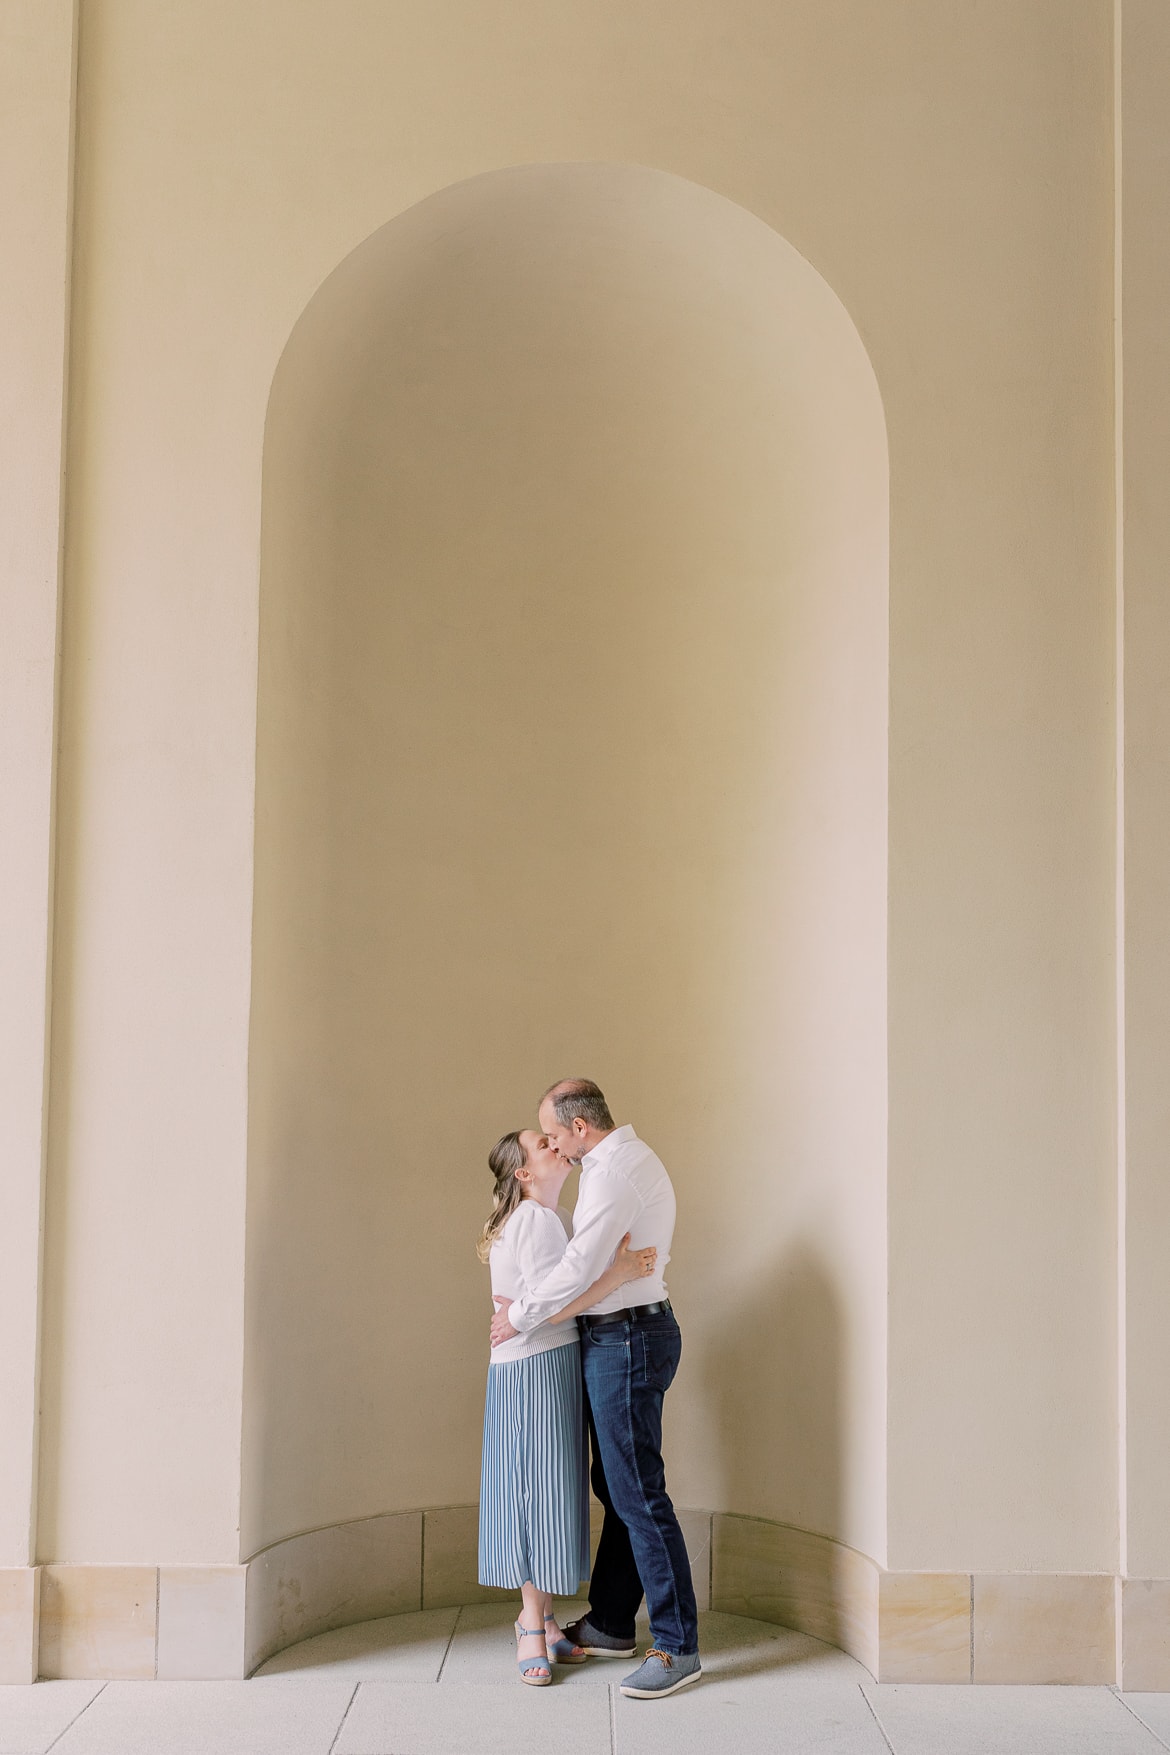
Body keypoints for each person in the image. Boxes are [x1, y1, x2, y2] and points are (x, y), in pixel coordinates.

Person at [490, 1079, 701, 1700]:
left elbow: (581, 1266)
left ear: (580, 1128)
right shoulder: (612, 1164)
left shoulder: (613, 1172)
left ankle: (677, 1644)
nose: (554, 1145)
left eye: (554, 1135)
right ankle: (611, 1623)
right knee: (615, 1485)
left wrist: (520, 1316)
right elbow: (584, 1271)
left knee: (638, 1494)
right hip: (618, 1335)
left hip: (629, 1338)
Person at [477, 1126, 657, 1687]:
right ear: (523, 1174)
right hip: (534, 1369)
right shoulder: (534, 1219)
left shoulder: (544, 1219)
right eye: (541, 1145)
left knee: (548, 1489)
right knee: (538, 1492)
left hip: (542, 1367)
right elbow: (556, 1304)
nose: (557, 1147)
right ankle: (531, 1623)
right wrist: (621, 1275)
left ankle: (546, 1619)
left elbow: (546, 1298)